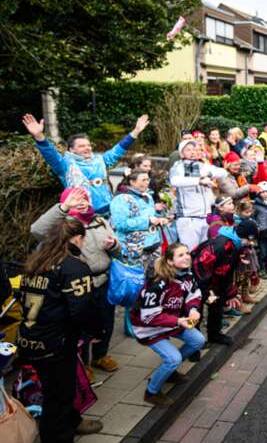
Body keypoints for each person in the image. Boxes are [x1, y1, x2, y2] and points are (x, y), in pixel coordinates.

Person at [18, 218, 105, 440]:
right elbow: (82, 308)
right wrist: (97, 331)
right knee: (57, 396)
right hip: (54, 343)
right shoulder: (73, 266)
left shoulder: (37, 261)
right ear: (76, 238)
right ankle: (57, 436)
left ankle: (73, 420)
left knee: (60, 386)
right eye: (83, 239)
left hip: (31, 336)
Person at [31, 188, 121, 376]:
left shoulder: (99, 220)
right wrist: (64, 207)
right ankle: (84, 364)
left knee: (105, 321)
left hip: (103, 281)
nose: (82, 202)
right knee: (82, 325)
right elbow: (37, 231)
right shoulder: (63, 225)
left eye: (85, 198)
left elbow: (119, 250)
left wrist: (114, 246)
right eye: (77, 199)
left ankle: (100, 356)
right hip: (79, 283)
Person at [23, 113, 150, 215]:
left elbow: (118, 149)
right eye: (82, 146)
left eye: (89, 145)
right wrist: (39, 136)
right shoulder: (66, 165)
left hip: (109, 211)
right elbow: (51, 155)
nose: (87, 148)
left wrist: (136, 132)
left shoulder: (100, 159)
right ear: (71, 149)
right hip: (82, 215)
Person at [129, 243, 204, 406]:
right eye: (181, 255)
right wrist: (178, 321)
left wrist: (192, 310)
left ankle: (169, 373)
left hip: (172, 321)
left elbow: (194, 295)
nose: (187, 257)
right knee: (173, 358)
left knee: (198, 340)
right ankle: (151, 392)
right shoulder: (158, 283)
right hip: (148, 328)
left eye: (187, 253)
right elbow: (148, 317)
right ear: (170, 261)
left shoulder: (187, 275)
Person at [191, 219, 257, 345]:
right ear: (244, 236)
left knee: (217, 305)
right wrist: (208, 289)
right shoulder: (223, 245)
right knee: (196, 311)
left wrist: (228, 292)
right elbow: (206, 267)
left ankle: (214, 335)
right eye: (250, 239)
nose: (250, 243)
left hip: (214, 282)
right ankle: (194, 344)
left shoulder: (233, 243)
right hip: (201, 282)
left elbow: (225, 270)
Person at [169, 140, 229, 250]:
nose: (192, 152)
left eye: (195, 149)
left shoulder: (203, 166)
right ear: (181, 153)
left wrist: (208, 174)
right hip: (189, 219)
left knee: (205, 254)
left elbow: (223, 173)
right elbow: (175, 181)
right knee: (191, 253)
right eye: (188, 150)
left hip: (206, 218)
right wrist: (199, 180)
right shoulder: (178, 166)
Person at [110, 170, 170, 270]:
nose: (147, 182)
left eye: (147, 179)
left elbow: (150, 216)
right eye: (143, 180)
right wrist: (148, 221)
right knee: (137, 282)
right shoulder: (120, 199)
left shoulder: (148, 196)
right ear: (132, 182)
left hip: (153, 247)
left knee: (152, 280)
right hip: (134, 250)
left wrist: (159, 217)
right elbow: (120, 224)